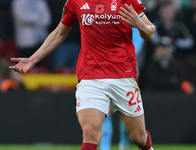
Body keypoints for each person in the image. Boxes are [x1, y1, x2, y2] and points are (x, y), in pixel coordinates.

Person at [9, 0, 155, 150]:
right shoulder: (75, 2)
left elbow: (150, 32)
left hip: (123, 75)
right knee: (90, 133)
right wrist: (32, 59)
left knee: (138, 137)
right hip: (90, 76)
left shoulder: (128, 1)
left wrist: (141, 25)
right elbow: (60, 33)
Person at [11, 0, 52, 67]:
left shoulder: (41, 2)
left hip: (41, 41)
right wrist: (38, 17)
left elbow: (47, 20)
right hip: (26, 43)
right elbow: (23, 19)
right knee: (26, 66)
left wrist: (33, 18)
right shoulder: (18, 2)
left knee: (41, 67)